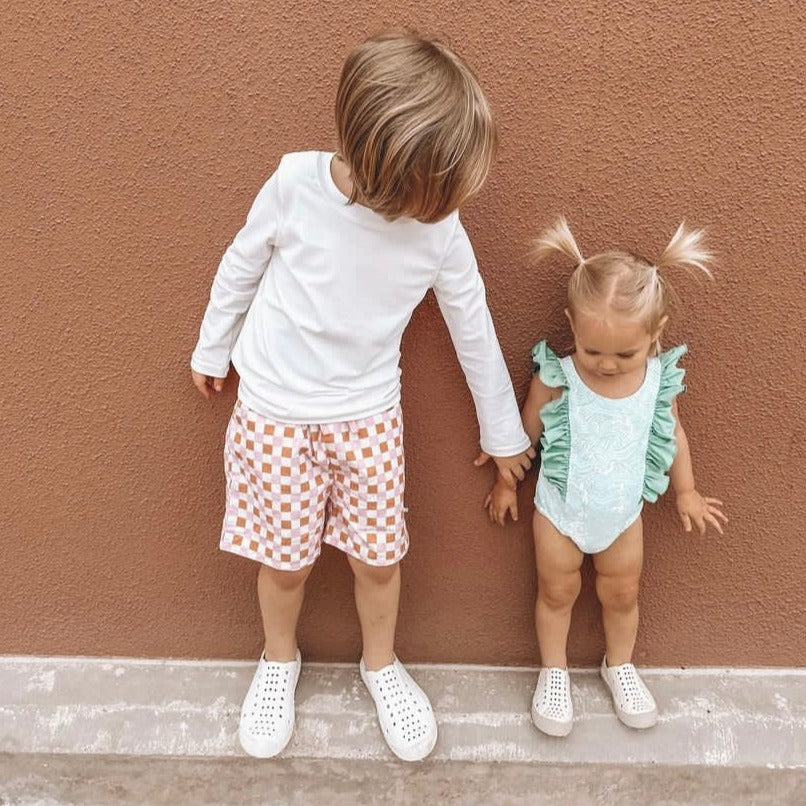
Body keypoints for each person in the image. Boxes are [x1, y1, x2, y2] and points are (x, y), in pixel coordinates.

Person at [190, 32, 533, 761]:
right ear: (386, 168)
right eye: (435, 191)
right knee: (284, 563)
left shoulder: (439, 228)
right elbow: (241, 262)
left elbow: (473, 325)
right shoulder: (293, 184)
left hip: (368, 421)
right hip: (275, 415)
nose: (445, 207)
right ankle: (277, 659)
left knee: (379, 560)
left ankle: (381, 663)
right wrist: (210, 346)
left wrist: (503, 432)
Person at [483, 218, 727, 736]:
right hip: (560, 513)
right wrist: (507, 480)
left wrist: (686, 490)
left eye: (625, 354)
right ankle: (553, 672)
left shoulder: (659, 380)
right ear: (571, 326)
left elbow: (674, 434)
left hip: (622, 516)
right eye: (594, 351)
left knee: (622, 593)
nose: (608, 365)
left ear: (654, 336)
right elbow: (526, 437)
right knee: (556, 592)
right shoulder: (557, 377)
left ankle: (619, 664)